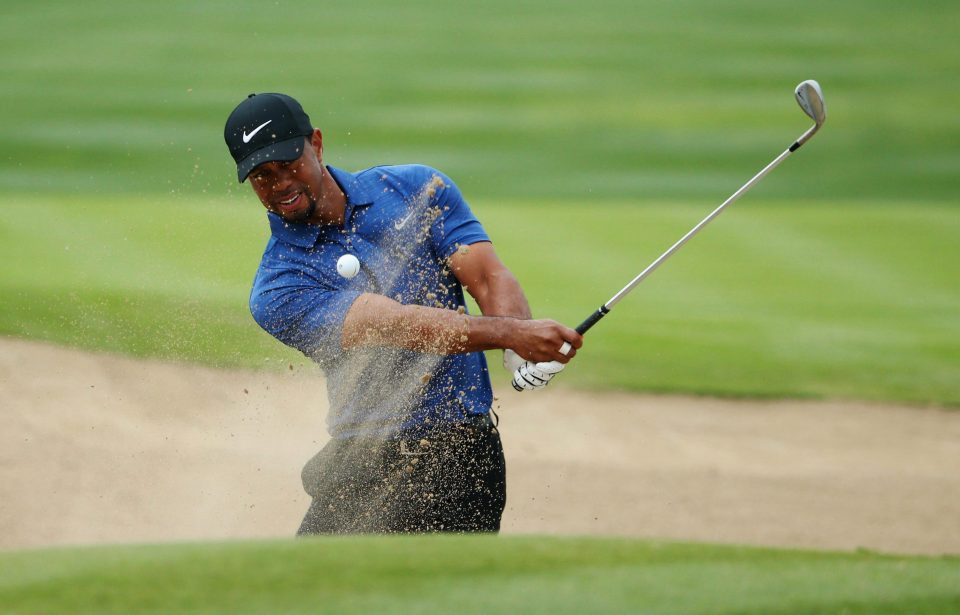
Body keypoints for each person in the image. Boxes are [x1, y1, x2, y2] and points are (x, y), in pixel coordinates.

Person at [223, 92, 582, 534]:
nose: (279, 185)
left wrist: (518, 343)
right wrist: (512, 334)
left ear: (316, 144)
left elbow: (488, 277)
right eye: (261, 177)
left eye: (287, 164)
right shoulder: (278, 286)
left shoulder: (417, 189)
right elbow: (394, 324)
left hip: (460, 456)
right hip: (364, 460)